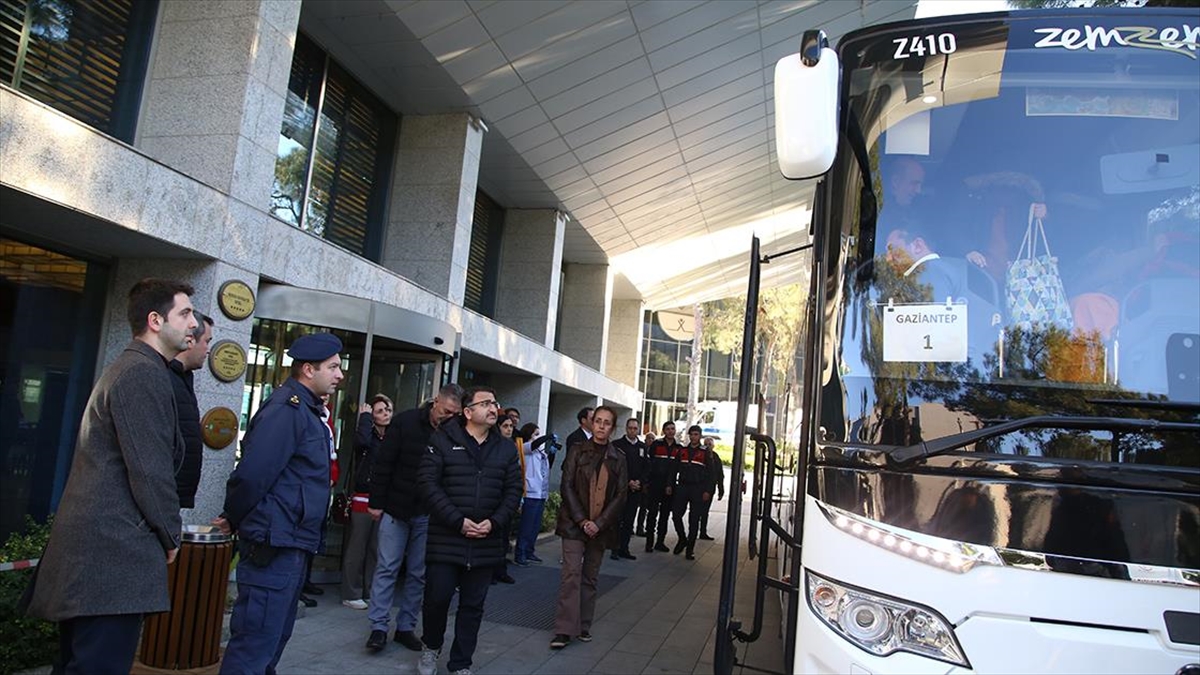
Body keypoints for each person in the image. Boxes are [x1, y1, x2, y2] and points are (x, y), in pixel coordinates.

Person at [24, 279, 196, 675]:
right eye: (185, 313)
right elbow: (149, 470)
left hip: (100, 558)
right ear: (155, 320)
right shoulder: (141, 373)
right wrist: (170, 533)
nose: (194, 324)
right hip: (110, 558)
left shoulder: (139, 368)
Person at [217, 332, 345, 675]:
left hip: (292, 541)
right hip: (275, 543)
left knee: (272, 641)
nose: (340, 375)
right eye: (333, 367)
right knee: (255, 644)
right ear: (307, 369)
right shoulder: (287, 410)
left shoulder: (307, 410)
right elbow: (254, 474)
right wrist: (232, 516)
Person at [417, 386, 523, 675]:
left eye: (495, 402)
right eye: (485, 403)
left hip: (485, 542)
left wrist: (495, 522)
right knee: (437, 599)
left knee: (473, 606)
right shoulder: (442, 440)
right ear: (468, 412)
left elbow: (513, 490)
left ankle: (461, 663)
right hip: (446, 538)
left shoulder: (505, 448)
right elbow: (428, 484)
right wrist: (457, 520)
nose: (493, 408)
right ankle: (430, 647)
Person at [365, 384, 463, 653]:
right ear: (435, 402)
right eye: (445, 411)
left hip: (429, 514)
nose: (448, 417)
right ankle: (378, 627)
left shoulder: (454, 433)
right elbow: (384, 463)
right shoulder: (405, 422)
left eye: (454, 413)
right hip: (396, 507)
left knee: (418, 574)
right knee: (387, 567)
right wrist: (376, 503)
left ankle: (405, 626)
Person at [549, 406, 627, 650]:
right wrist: (583, 520)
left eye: (607, 423)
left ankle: (583, 625)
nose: (601, 426)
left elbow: (621, 495)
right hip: (574, 524)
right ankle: (564, 630)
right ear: (591, 423)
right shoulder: (576, 450)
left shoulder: (619, 458)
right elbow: (567, 486)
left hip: (600, 528)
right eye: (598, 421)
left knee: (590, 577)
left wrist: (599, 523)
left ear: (613, 428)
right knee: (571, 575)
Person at [340, 394, 392, 610]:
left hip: (383, 498)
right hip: (363, 497)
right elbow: (360, 442)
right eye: (379, 411)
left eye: (387, 409)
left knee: (376, 549)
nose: (385, 414)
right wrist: (364, 418)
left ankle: (371, 591)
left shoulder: (392, 437)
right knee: (357, 547)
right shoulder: (367, 435)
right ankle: (350, 592)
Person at [171, 311, 214, 509]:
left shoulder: (183, 378)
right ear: (191, 340)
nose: (208, 350)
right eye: (207, 341)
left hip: (172, 499)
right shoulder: (165, 378)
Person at [669, 425, 716, 560]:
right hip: (682, 487)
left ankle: (690, 549)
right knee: (676, 515)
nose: (693, 437)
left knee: (694, 520)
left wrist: (708, 490)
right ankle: (682, 539)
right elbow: (673, 470)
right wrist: (669, 484)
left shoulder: (705, 452)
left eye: (696, 434)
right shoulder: (682, 450)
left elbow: (711, 474)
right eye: (691, 434)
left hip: (698, 488)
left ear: (700, 436)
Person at [611, 417, 647, 560]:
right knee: (617, 520)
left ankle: (624, 548)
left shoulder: (643, 447)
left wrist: (639, 482)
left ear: (638, 429)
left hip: (635, 490)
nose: (633, 430)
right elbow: (613, 467)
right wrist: (626, 482)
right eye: (630, 428)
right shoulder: (617, 445)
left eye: (635, 428)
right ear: (626, 429)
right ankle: (614, 548)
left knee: (629, 520)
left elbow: (647, 467)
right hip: (620, 489)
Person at [514, 422, 550, 566]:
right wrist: (546, 437)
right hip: (530, 493)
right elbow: (533, 445)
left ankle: (530, 551)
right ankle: (520, 553)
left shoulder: (540, 452)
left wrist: (551, 453)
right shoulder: (523, 447)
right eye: (535, 433)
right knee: (527, 526)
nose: (537, 437)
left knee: (535, 526)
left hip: (541, 493)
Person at [644, 421, 681, 553]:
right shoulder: (656, 444)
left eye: (673, 429)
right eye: (668, 429)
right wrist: (647, 482)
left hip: (670, 486)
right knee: (652, 513)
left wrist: (670, 485)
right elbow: (649, 464)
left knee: (664, 515)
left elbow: (677, 468)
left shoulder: (679, 448)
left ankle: (660, 542)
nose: (671, 431)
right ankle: (649, 543)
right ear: (664, 431)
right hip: (655, 484)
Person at [492, 413, 519, 585]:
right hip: (494, 498)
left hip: (506, 500)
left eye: (511, 426)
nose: (509, 429)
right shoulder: (493, 446)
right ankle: (490, 572)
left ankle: (500, 570)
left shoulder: (512, 447)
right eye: (505, 426)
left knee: (503, 538)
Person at [697, 437, 725, 540]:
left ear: (713, 446)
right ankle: (695, 530)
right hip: (698, 486)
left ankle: (703, 531)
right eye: (706, 444)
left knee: (705, 511)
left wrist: (721, 489)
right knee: (697, 510)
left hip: (709, 488)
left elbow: (719, 475)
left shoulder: (715, 457)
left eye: (710, 444)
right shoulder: (699, 455)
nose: (708, 446)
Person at [638, 430, 656, 537]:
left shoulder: (654, 452)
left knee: (644, 507)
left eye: (653, 439)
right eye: (649, 438)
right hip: (640, 481)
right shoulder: (642, 449)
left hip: (649, 483)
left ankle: (640, 527)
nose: (651, 441)